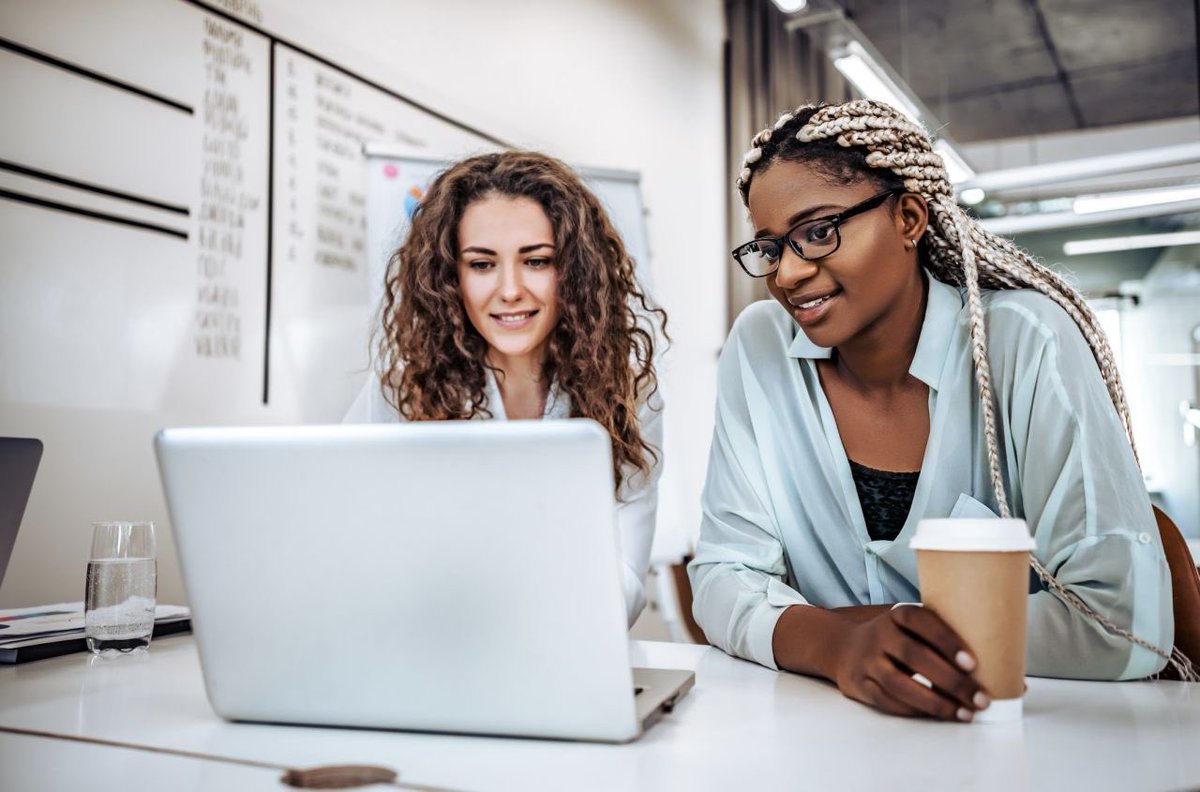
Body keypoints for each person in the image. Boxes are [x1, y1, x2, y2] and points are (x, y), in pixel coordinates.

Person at [689, 99, 1194, 723]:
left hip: (1029, 739)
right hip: (828, 739)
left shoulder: (1026, 343)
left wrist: (881, 631)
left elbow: (1120, 625)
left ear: (907, 218)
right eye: (769, 247)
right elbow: (720, 576)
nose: (788, 273)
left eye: (819, 231)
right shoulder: (759, 347)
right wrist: (839, 645)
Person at [345, 151, 667, 627]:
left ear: (574, 271)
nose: (511, 289)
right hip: (423, 648)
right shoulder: (403, 386)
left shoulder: (629, 393)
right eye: (481, 264)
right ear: (450, 277)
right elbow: (349, 543)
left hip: (566, 650)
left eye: (536, 261)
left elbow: (622, 584)